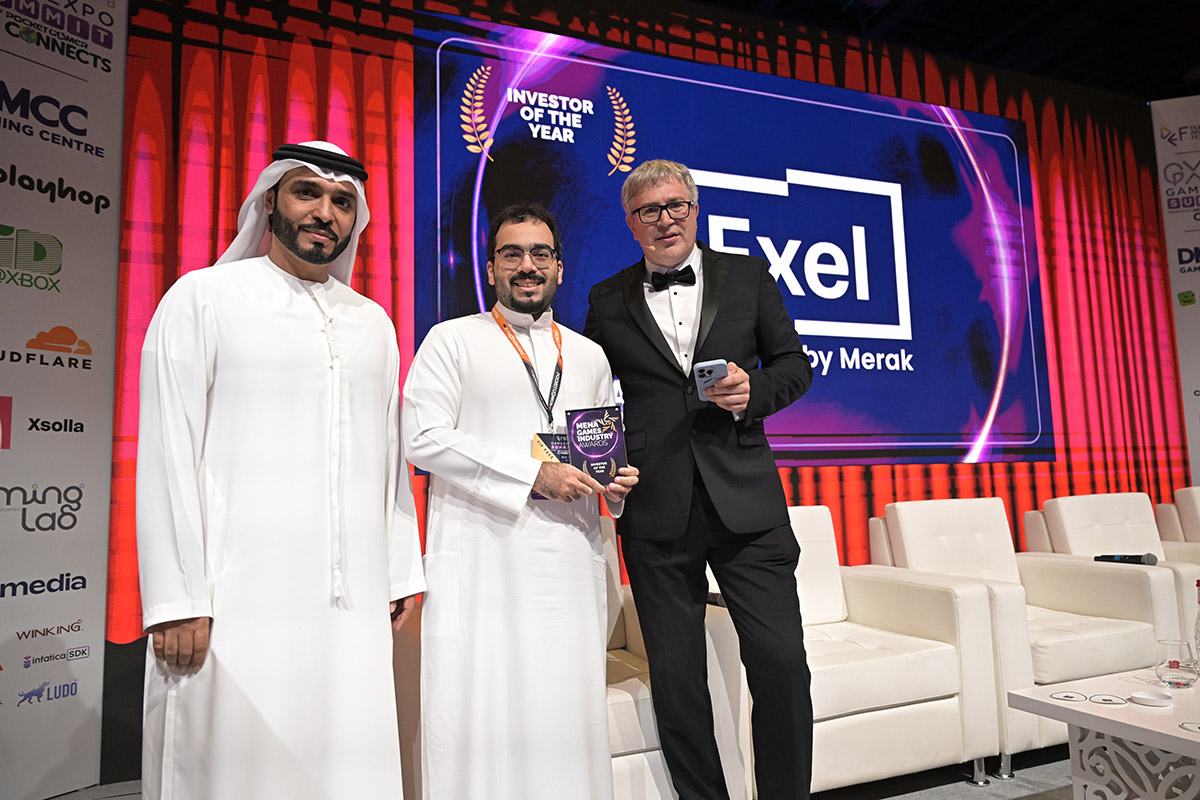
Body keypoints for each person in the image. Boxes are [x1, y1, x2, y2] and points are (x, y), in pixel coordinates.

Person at [136, 141, 425, 800]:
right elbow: (167, 453)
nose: (325, 212)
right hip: (233, 599)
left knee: (345, 758)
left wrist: (398, 570)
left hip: (350, 604)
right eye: (307, 193)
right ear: (270, 202)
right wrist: (177, 601)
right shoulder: (204, 297)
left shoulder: (373, 323)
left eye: (343, 201)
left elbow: (387, 459)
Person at [584, 159, 815, 800]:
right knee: (678, 682)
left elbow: (795, 364)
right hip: (656, 508)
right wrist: (598, 466)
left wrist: (753, 392)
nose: (665, 220)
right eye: (649, 211)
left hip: (748, 503)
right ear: (631, 223)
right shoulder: (606, 298)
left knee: (780, 664)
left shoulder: (748, 275)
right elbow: (590, 392)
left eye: (676, 205)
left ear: (695, 207)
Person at [403, 203, 638, 800]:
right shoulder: (451, 340)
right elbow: (421, 437)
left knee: (566, 707)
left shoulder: (588, 354)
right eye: (512, 253)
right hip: (484, 560)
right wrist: (532, 476)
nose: (526, 266)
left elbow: (597, 449)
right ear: (490, 269)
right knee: (481, 706)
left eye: (540, 254)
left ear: (559, 267)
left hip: (570, 562)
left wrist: (613, 484)